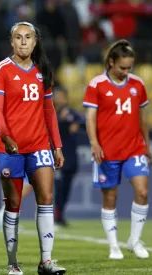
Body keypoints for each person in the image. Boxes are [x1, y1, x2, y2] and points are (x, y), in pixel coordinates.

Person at [0, 22, 66, 275]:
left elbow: (49, 111)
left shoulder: (43, 70)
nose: (23, 42)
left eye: (28, 37)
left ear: (35, 42)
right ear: (11, 42)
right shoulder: (1, 71)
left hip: (38, 145)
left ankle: (46, 261)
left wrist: (57, 145)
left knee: (46, 198)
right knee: (13, 203)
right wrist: (7, 136)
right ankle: (13, 263)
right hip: (8, 149)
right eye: (18, 37)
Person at [83, 39, 152, 260]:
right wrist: (94, 143)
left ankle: (134, 239)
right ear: (111, 62)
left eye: (130, 67)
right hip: (107, 152)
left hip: (134, 148)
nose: (126, 72)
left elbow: (143, 119)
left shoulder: (138, 85)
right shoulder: (97, 85)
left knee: (142, 191)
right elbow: (90, 118)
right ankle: (114, 246)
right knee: (110, 198)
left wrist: (147, 146)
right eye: (122, 67)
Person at [53, 86, 82, 227]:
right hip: (57, 155)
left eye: (60, 96)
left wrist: (69, 123)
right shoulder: (50, 112)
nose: (58, 99)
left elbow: (78, 125)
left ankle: (60, 214)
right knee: (58, 187)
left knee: (66, 188)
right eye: (56, 96)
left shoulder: (70, 112)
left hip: (71, 156)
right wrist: (61, 121)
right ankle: (56, 216)